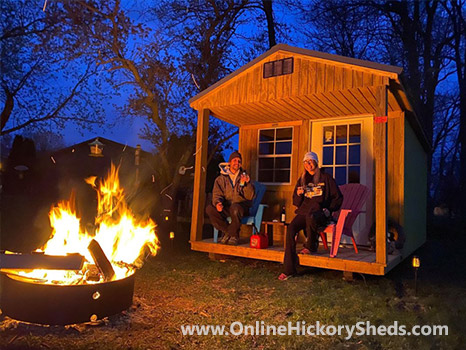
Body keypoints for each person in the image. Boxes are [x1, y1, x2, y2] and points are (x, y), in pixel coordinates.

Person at [279, 151, 343, 280]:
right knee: (291, 229)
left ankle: (311, 245)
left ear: (316, 162)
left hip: (320, 212)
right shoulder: (303, 179)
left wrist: (329, 210)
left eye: (310, 161)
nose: (308, 164)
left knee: (311, 216)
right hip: (304, 211)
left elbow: (338, 197)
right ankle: (289, 269)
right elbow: (296, 203)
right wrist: (299, 194)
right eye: (305, 162)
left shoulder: (326, 178)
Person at [206, 151, 255, 245]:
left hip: (240, 207)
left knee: (235, 208)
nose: (237, 163)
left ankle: (231, 235)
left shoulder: (244, 177)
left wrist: (248, 184)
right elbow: (217, 193)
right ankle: (231, 233)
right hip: (227, 206)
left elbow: (250, 196)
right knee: (210, 209)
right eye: (235, 160)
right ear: (230, 162)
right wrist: (218, 203)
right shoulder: (221, 179)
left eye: (239, 161)